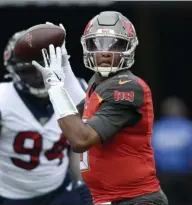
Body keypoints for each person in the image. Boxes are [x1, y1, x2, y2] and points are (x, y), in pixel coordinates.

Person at [0, 24, 93, 205]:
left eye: (41, 67)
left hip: (60, 193)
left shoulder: (73, 90)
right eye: (28, 70)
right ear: (13, 71)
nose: (38, 76)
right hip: (14, 198)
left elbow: (90, 144)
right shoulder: (0, 101)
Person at [32, 11, 168, 205]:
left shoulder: (127, 86)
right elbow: (82, 111)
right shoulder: (99, 83)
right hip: (110, 198)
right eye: (97, 44)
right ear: (86, 47)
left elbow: (81, 139)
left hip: (136, 199)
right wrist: (64, 64)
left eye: (115, 44)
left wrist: (54, 87)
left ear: (129, 48)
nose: (105, 51)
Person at [152, 97, 192, 205]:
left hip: (161, 179)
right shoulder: (190, 128)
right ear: (183, 111)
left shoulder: (156, 129)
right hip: (184, 179)